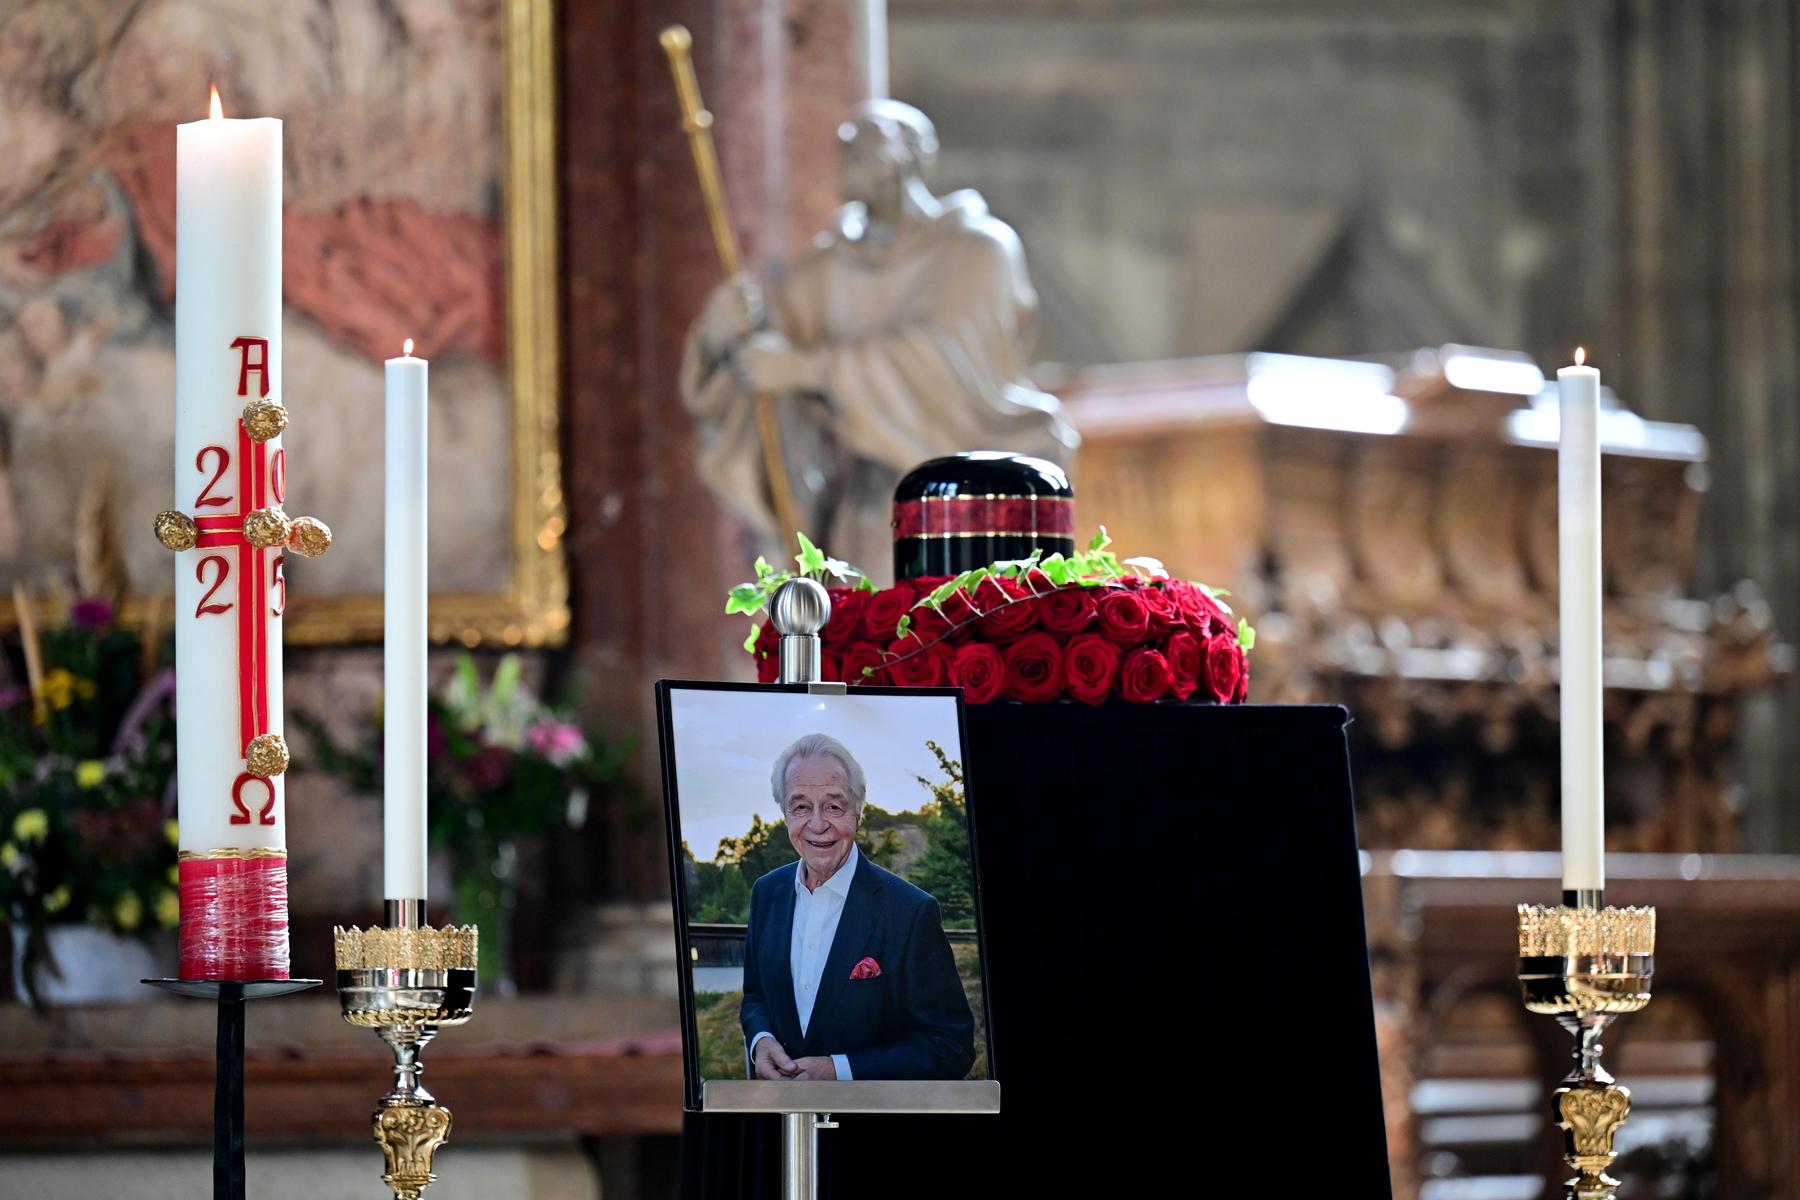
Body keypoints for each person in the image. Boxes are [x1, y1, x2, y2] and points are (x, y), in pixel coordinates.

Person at [681, 100, 1079, 576]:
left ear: (911, 155)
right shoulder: (830, 263)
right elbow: (767, 357)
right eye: (845, 147)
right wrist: (723, 333)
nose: (847, 154)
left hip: (973, 510)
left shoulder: (977, 249)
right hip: (871, 510)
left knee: (977, 621)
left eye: (866, 144)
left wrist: (807, 368)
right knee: (875, 621)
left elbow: (943, 362)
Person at [739, 732, 976, 1081]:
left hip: (871, 1116)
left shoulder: (911, 912)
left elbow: (951, 1046)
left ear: (858, 813)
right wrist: (760, 1040)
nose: (817, 824)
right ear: (784, 814)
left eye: (834, 806)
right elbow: (755, 996)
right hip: (781, 1112)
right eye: (801, 806)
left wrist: (838, 1071)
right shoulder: (766, 892)